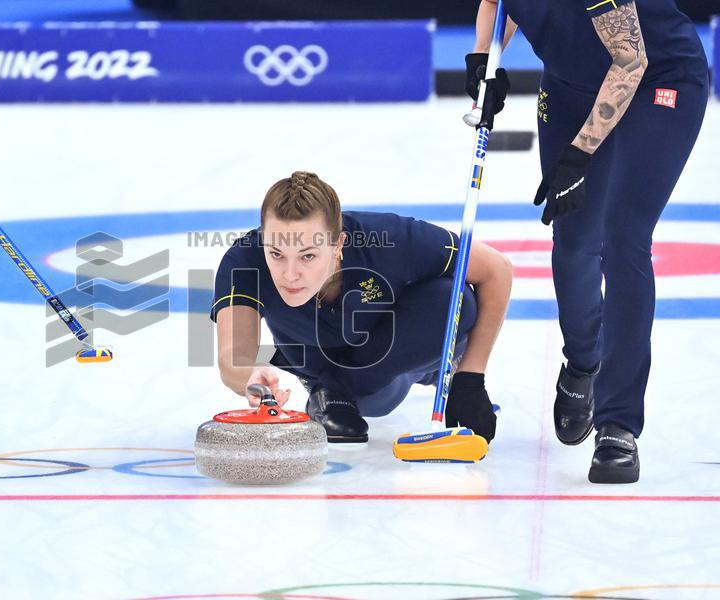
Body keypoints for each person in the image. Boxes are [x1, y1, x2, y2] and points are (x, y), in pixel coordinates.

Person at [466, 0, 708, 483]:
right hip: (570, 87)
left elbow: (630, 60)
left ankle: (618, 425)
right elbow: (497, 2)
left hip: (658, 77)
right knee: (574, 239)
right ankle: (583, 362)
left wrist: (580, 153)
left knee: (624, 237)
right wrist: (483, 62)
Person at [211, 172, 513, 444]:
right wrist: (249, 376)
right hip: (333, 371)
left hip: (392, 348)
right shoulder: (244, 260)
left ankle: (417, 374)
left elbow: (496, 269)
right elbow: (233, 356)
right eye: (276, 253)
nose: (290, 274)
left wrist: (471, 377)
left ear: (338, 244)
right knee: (370, 396)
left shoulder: (390, 239)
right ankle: (335, 388)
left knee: (455, 296)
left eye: (307, 257)